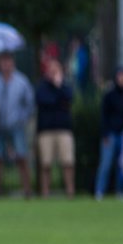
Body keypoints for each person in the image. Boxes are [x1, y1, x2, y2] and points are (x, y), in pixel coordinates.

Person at [0, 53, 34, 198]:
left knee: (21, 157)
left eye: (8, 62)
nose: (6, 65)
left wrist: (22, 119)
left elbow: (29, 103)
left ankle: (27, 189)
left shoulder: (22, 81)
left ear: (13, 63)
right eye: (3, 62)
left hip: (16, 126)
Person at [35, 61, 76, 198]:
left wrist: (59, 86)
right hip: (46, 130)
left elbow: (69, 98)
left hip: (64, 129)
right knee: (46, 163)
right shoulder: (42, 87)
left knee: (67, 162)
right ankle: (45, 192)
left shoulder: (64, 86)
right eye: (51, 70)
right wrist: (58, 98)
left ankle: (70, 191)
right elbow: (45, 100)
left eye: (56, 69)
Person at [95, 67, 123, 200]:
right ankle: (99, 191)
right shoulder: (109, 96)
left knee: (122, 165)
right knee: (106, 164)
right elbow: (104, 116)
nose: (122, 79)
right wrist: (105, 134)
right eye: (120, 75)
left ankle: (120, 191)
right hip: (110, 134)